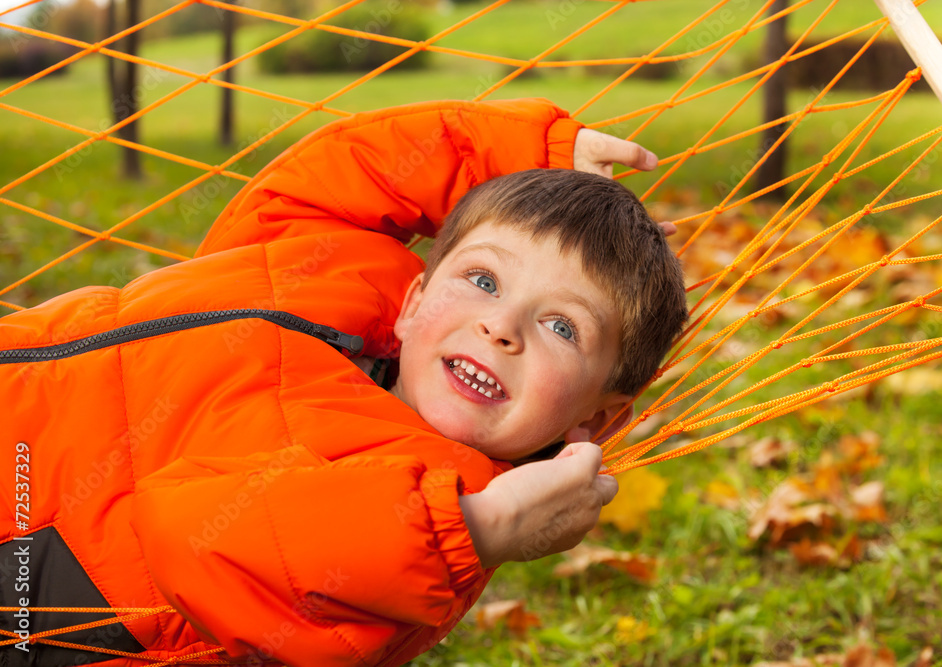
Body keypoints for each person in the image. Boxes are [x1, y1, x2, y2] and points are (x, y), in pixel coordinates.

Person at [0, 98, 686, 667]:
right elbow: (348, 165)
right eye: (482, 280)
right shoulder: (335, 266)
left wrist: (481, 527)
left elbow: (192, 535)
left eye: (562, 327)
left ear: (595, 421)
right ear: (416, 301)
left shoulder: (427, 524)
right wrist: (527, 153)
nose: (500, 326)